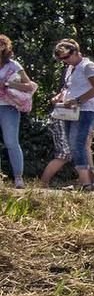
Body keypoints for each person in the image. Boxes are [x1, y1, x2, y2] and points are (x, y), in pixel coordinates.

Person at [39, 38, 94, 190]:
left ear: (76, 52)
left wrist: (78, 100)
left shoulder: (88, 66)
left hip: (85, 110)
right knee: (72, 145)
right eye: (62, 59)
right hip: (69, 111)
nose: (65, 61)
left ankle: (86, 183)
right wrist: (60, 97)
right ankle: (86, 181)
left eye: (67, 57)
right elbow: (69, 87)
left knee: (78, 145)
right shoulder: (71, 68)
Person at [0, 34, 35, 188]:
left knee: (11, 141)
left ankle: (18, 178)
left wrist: (8, 84)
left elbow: (29, 86)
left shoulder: (14, 65)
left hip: (8, 106)